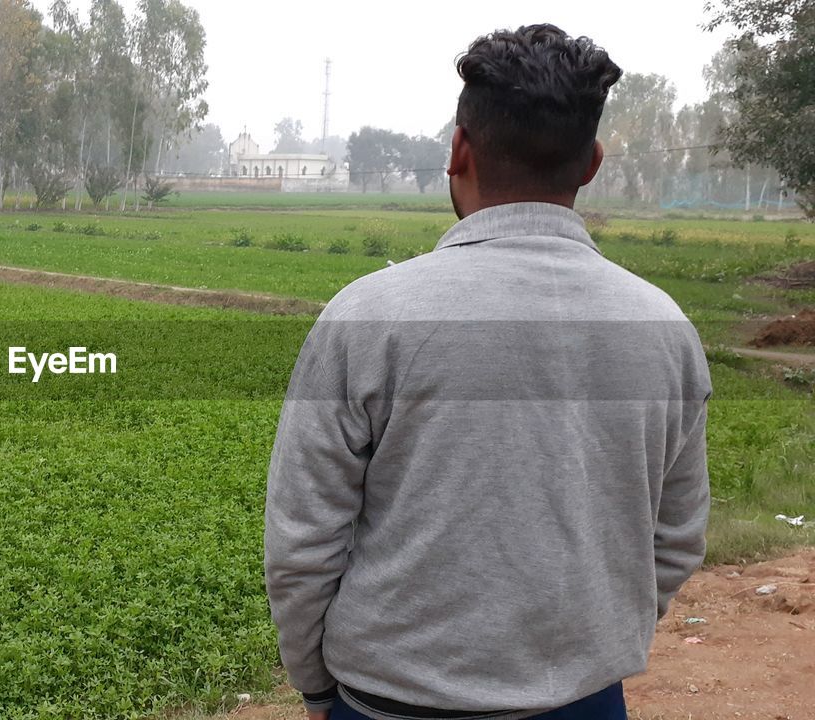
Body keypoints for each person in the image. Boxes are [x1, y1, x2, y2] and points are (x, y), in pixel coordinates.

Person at [264, 24, 711, 720]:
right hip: (585, 703)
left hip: (390, 706)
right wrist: (580, 651)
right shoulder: (665, 328)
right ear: (590, 162)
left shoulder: (368, 316)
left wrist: (318, 688)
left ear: (459, 151)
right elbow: (678, 538)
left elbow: (301, 544)